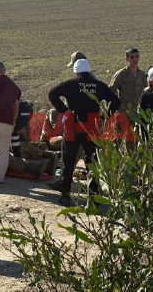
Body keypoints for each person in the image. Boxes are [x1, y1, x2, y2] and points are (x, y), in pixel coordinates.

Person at [47, 59, 121, 206]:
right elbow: (116, 101)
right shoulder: (98, 85)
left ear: (75, 71)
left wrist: (64, 110)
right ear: (89, 70)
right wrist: (104, 116)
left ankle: (65, 194)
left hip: (73, 124)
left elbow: (52, 93)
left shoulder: (70, 83)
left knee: (68, 160)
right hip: (92, 126)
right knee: (92, 161)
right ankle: (93, 197)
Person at [108, 47, 148, 115]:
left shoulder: (142, 75)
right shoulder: (121, 74)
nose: (134, 59)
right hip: (123, 112)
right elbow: (111, 90)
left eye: (136, 56)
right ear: (127, 59)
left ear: (139, 57)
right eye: (132, 57)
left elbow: (145, 91)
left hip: (137, 112)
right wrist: (114, 105)